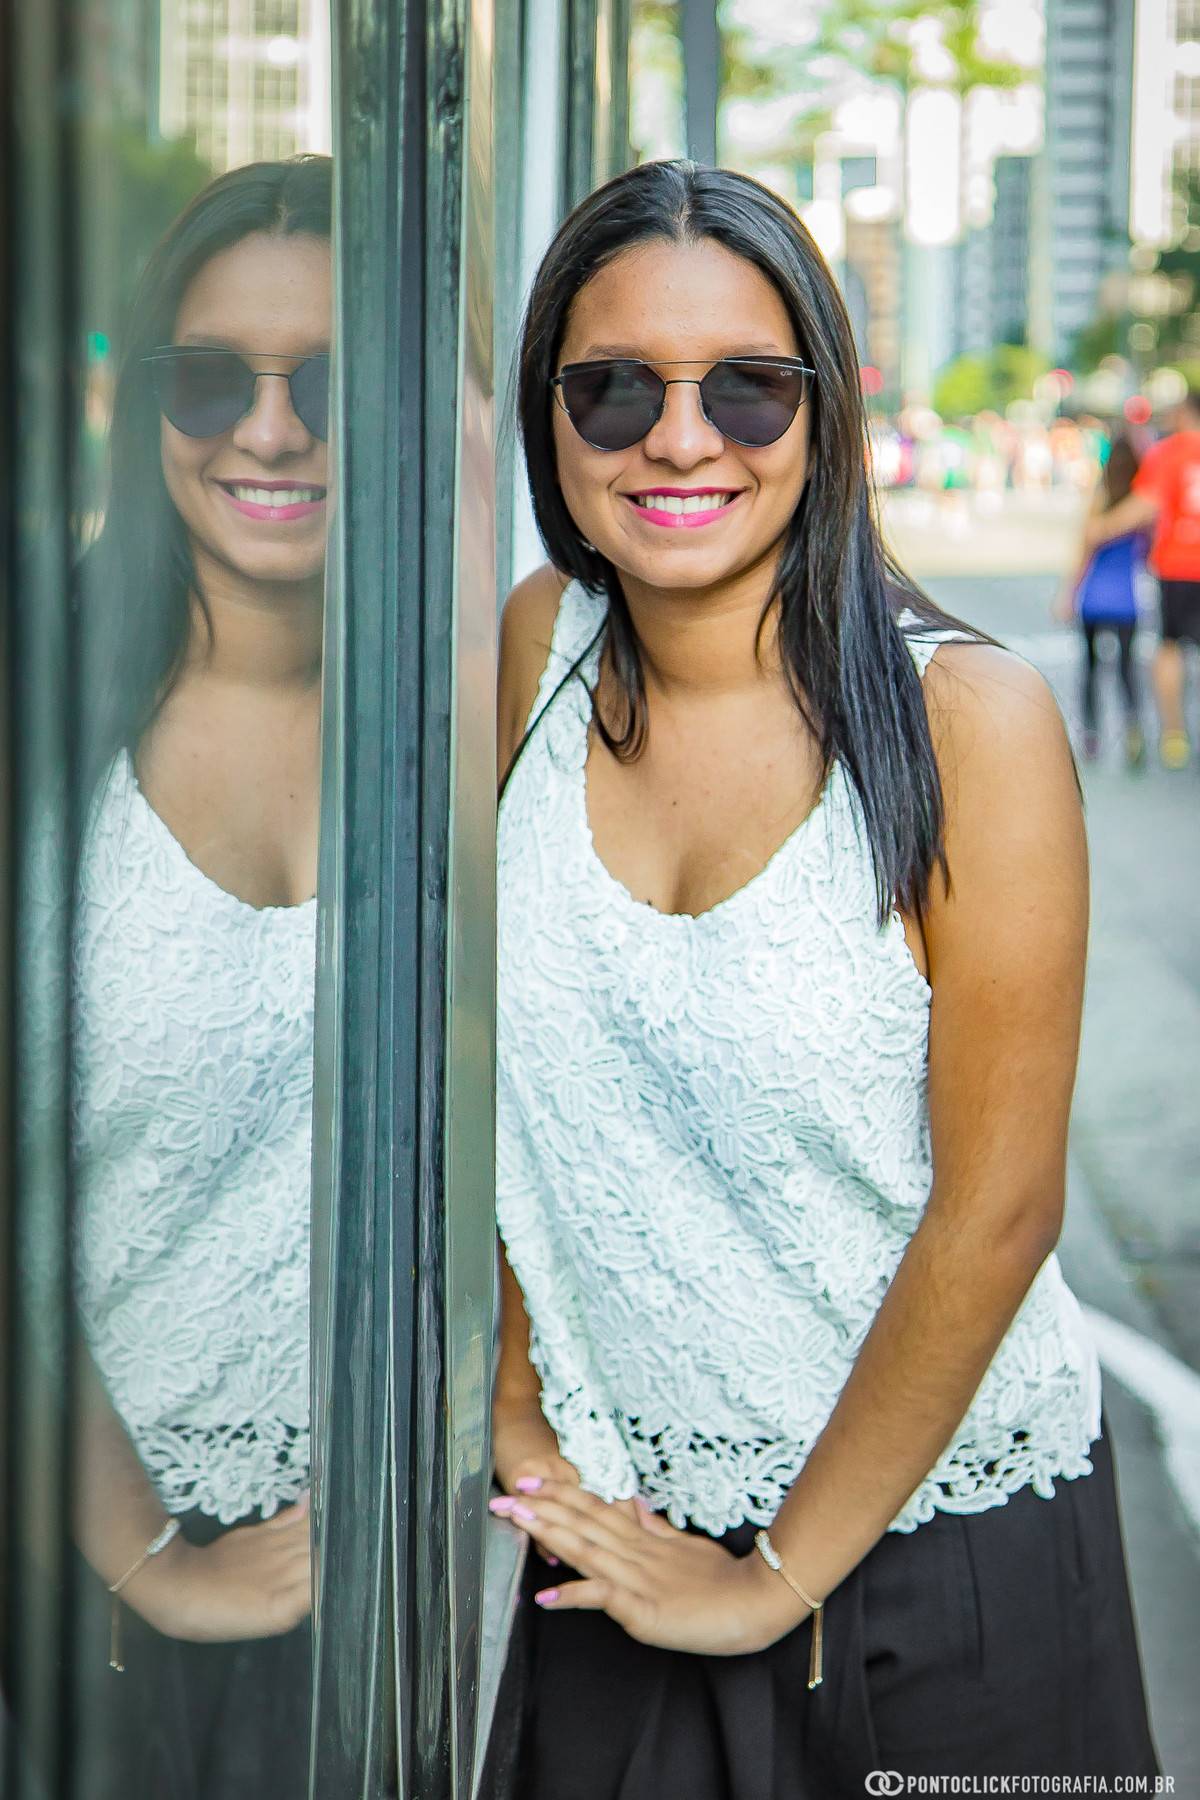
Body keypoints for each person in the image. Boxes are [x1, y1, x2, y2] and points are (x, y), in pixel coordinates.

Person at [490, 161, 1157, 1794]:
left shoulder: (969, 724)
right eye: (613, 387)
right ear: (549, 416)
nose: (681, 434)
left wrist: (770, 1585)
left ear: (828, 409)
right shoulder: (530, 652)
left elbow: (996, 1212)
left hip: (941, 1562)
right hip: (619, 1536)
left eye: (748, 387)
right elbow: (484, 1096)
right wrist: (513, 1407)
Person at [69, 155, 330, 1798]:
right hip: (94, 1585)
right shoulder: (43, 707)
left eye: (329, 382)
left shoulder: (487, 703)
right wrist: (142, 1555)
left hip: (419, 1580)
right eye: (210, 375)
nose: (269, 429)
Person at [1085, 387, 1200, 768]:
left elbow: (1144, 506)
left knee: (1170, 648)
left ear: (1186, 411)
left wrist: (1100, 528)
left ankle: (1174, 735)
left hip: (1180, 566)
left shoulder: (1171, 452)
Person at [1059, 435, 1147, 767]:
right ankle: (1133, 729)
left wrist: (1068, 594)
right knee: (1127, 670)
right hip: (1127, 599)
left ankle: (1091, 736)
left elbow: (1084, 549)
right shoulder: (1142, 505)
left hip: (1093, 597)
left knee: (1091, 670)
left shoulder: (1101, 501)